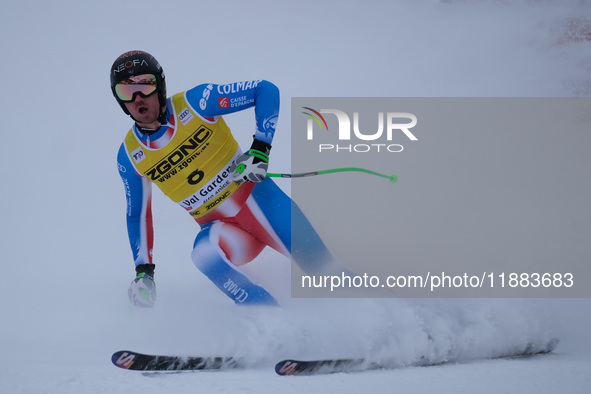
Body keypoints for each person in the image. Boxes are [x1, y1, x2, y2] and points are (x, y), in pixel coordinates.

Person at [111, 50, 336, 307]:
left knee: (328, 274)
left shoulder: (196, 103)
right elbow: (138, 215)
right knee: (204, 256)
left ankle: (379, 317)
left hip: (264, 205)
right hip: (225, 232)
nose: (138, 97)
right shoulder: (130, 156)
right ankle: (272, 323)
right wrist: (144, 271)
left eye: (145, 85)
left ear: (159, 85)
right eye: (126, 91)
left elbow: (264, 90)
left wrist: (260, 148)